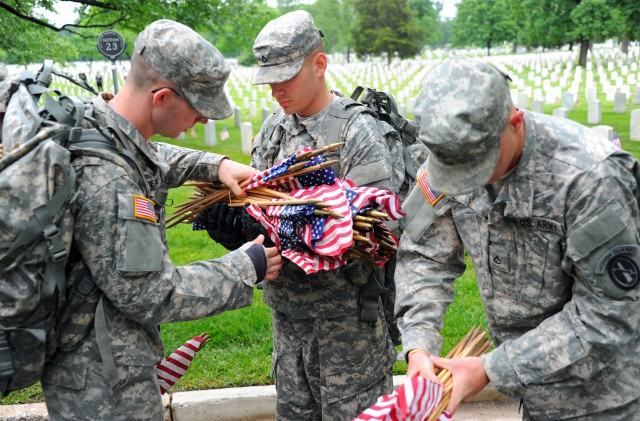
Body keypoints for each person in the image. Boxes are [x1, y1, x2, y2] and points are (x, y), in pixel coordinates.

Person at [40, 19, 282, 420]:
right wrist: (245, 267)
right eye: (200, 110)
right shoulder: (111, 184)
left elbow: (147, 153)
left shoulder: (92, 125)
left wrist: (216, 164)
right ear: (163, 97)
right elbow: (151, 294)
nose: (204, 121)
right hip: (104, 385)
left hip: (93, 365)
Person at [395, 56, 640, 420]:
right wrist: (419, 344)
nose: (468, 181)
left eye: (478, 166)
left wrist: (492, 369)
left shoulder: (589, 178)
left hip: (603, 397)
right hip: (533, 395)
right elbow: (426, 255)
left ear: (515, 122)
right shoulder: (449, 156)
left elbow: (610, 312)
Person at [204, 10, 399, 420]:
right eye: (269, 79)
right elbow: (259, 204)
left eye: (285, 76)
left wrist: (284, 231)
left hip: (346, 326)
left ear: (319, 63)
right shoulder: (276, 126)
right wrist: (243, 232)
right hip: (288, 319)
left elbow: (379, 231)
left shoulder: (358, 132)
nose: (275, 89)